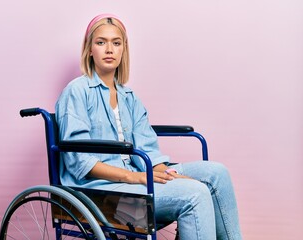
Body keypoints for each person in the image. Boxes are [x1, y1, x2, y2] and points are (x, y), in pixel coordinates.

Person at [55, 14, 242, 240]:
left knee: (216, 174)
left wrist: (170, 175)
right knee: (196, 194)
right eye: (101, 42)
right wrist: (139, 177)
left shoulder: (129, 97)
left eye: (116, 43)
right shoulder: (76, 91)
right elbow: (81, 163)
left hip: (137, 174)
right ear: (89, 49)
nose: (109, 49)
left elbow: (148, 150)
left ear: (124, 49)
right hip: (99, 194)